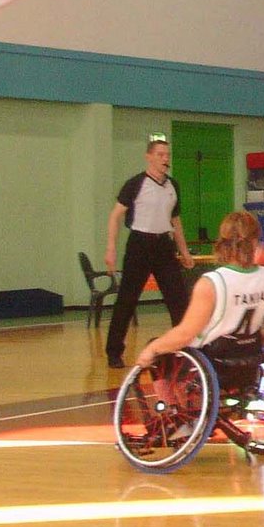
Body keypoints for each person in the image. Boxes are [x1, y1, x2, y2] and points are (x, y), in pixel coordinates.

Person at [134, 211, 264, 372]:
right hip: (250, 359)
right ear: (256, 241)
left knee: (156, 348)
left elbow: (186, 333)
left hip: (212, 361)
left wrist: (153, 348)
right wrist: (258, 343)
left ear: (223, 242)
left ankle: (166, 390)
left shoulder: (213, 282)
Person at [105, 139, 196, 369]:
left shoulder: (173, 185)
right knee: (127, 300)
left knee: (178, 299)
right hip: (139, 244)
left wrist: (184, 251)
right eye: (160, 154)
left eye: (167, 155)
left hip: (164, 245)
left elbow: (176, 221)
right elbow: (115, 215)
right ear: (149, 156)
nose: (165, 159)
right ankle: (114, 351)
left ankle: (186, 350)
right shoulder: (135, 184)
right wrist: (111, 248)